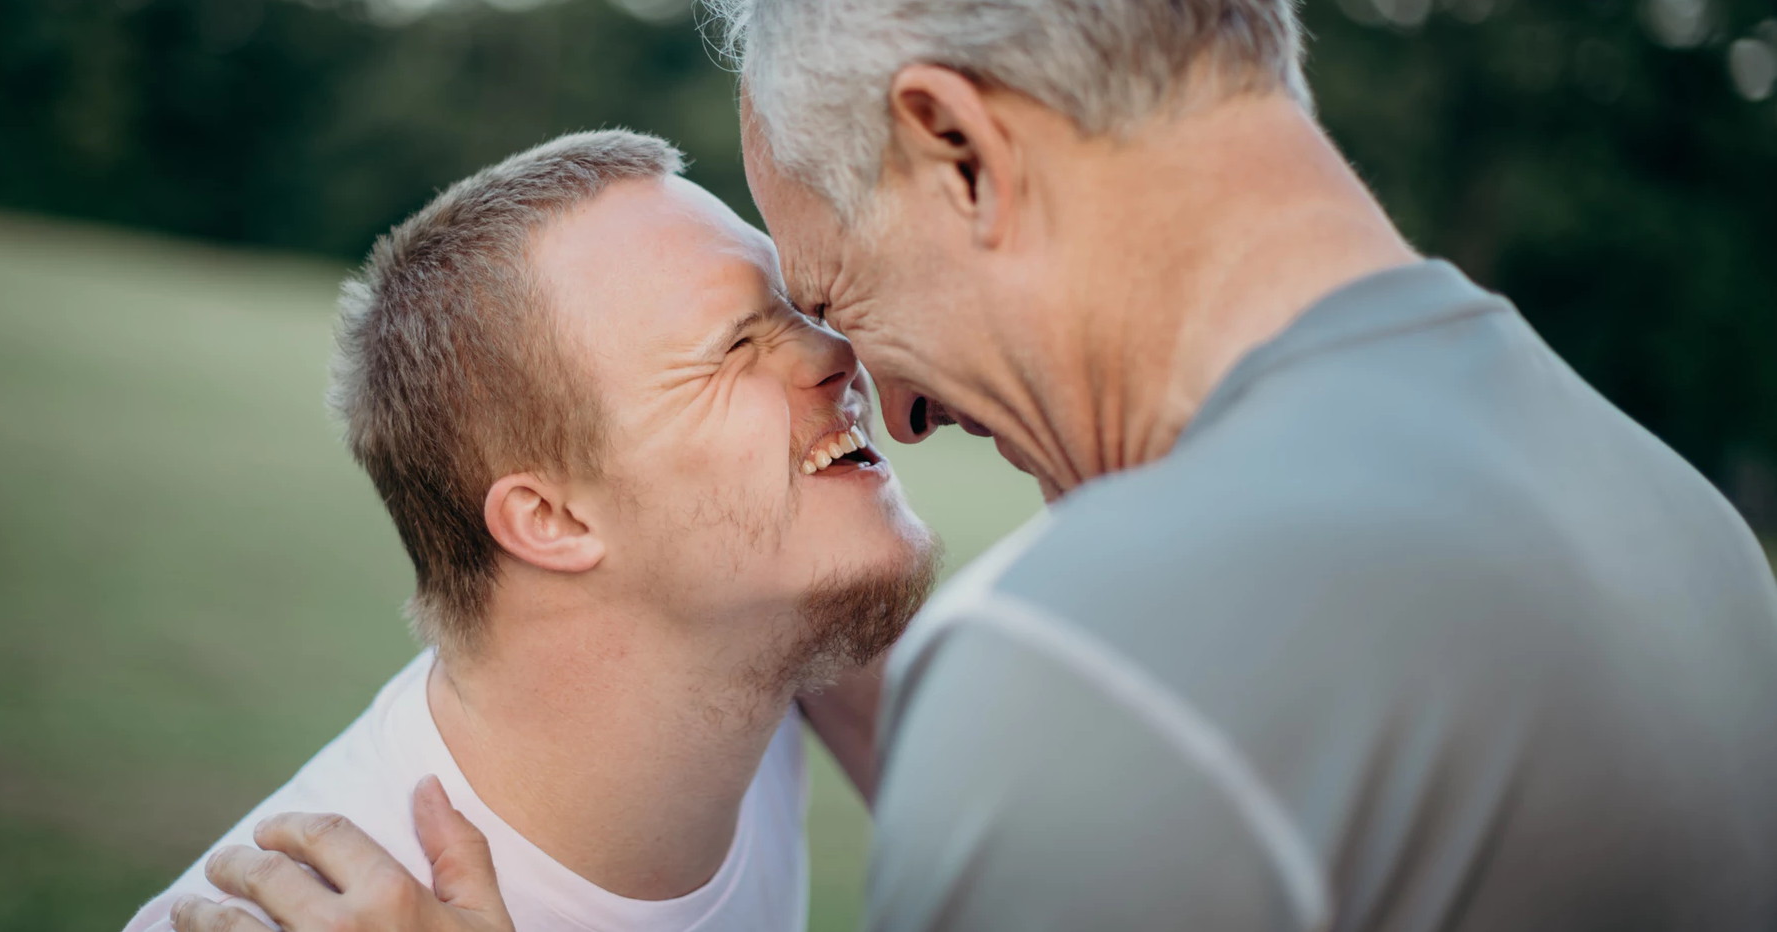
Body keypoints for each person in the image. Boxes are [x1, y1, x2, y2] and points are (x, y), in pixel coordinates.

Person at [175, 1, 1777, 929]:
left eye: (835, 285)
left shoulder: (1103, 672)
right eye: (766, 331)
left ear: (959, 148)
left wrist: (1017, 703)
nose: (886, 397)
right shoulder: (1678, 525)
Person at [135, 129, 938, 932]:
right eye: (735, 346)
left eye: (799, 307)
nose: (839, 350)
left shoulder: (775, 637)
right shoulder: (286, 915)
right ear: (550, 519)